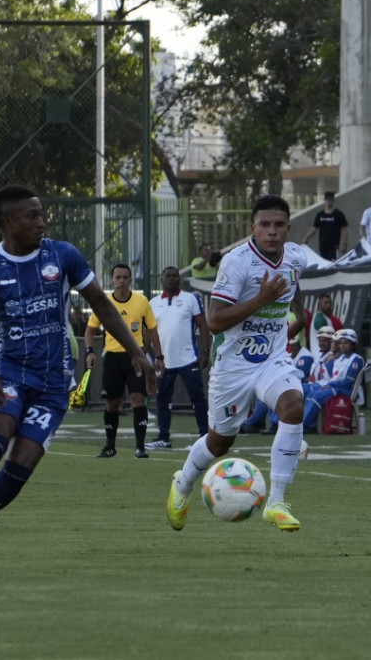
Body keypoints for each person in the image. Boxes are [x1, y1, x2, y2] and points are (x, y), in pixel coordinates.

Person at [0, 185, 157, 570]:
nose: (42, 221)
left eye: (41, 214)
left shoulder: (62, 255)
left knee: (17, 472)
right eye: (32, 216)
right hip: (6, 372)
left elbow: (101, 304)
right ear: (8, 223)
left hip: (54, 383)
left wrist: (138, 352)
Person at [165, 194, 308, 533]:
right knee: (220, 441)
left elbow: (291, 289)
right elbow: (214, 321)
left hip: (272, 358)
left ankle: (276, 502)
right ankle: (183, 484)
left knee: (293, 406)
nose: (272, 231)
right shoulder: (236, 262)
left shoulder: (297, 257)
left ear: (288, 229)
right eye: (265, 225)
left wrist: (296, 319)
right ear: (252, 228)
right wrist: (262, 299)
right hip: (233, 367)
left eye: (279, 225)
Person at [85, 263, 164, 459]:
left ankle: (140, 447)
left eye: (125, 277)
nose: (121, 281)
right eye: (117, 277)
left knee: (138, 398)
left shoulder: (141, 301)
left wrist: (159, 356)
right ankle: (110, 446)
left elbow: (152, 330)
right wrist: (89, 351)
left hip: (135, 357)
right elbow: (90, 329)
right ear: (111, 280)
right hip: (112, 357)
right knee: (112, 403)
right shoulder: (103, 302)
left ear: (130, 280)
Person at [145, 266, 210, 451]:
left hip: (189, 359)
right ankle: (164, 438)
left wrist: (205, 351)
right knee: (163, 399)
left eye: (175, 276)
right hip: (164, 361)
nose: (172, 279)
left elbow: (203, 325)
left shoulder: (190, 299)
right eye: (168, 276)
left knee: (197, 398)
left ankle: (204, 438)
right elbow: (148, 332)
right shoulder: (153, 303)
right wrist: (150, 355)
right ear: (161, 280)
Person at [301, 328, 365, 432]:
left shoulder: (356, 359)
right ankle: (309, 426)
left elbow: (348, 382)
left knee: (316, 395)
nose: (342, 345)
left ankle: (303, 426)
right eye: (341, 343)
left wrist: (330, 385)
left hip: (348, 391)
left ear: (353, 344)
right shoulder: (340, 358)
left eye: (346, 343)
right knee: (311, 393)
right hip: (336, 388)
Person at [303, 191, 349, 261]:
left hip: (334, 246)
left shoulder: (338, 214)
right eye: (327, 200)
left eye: (330, 200)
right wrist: (307, 237)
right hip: (322, 245)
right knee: (323, 265)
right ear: (324, 201)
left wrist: (344, 243)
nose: (329, 202)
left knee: (331, 264)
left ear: (334, 201)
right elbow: (314, 227)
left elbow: (344, 229)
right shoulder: (320, 214)